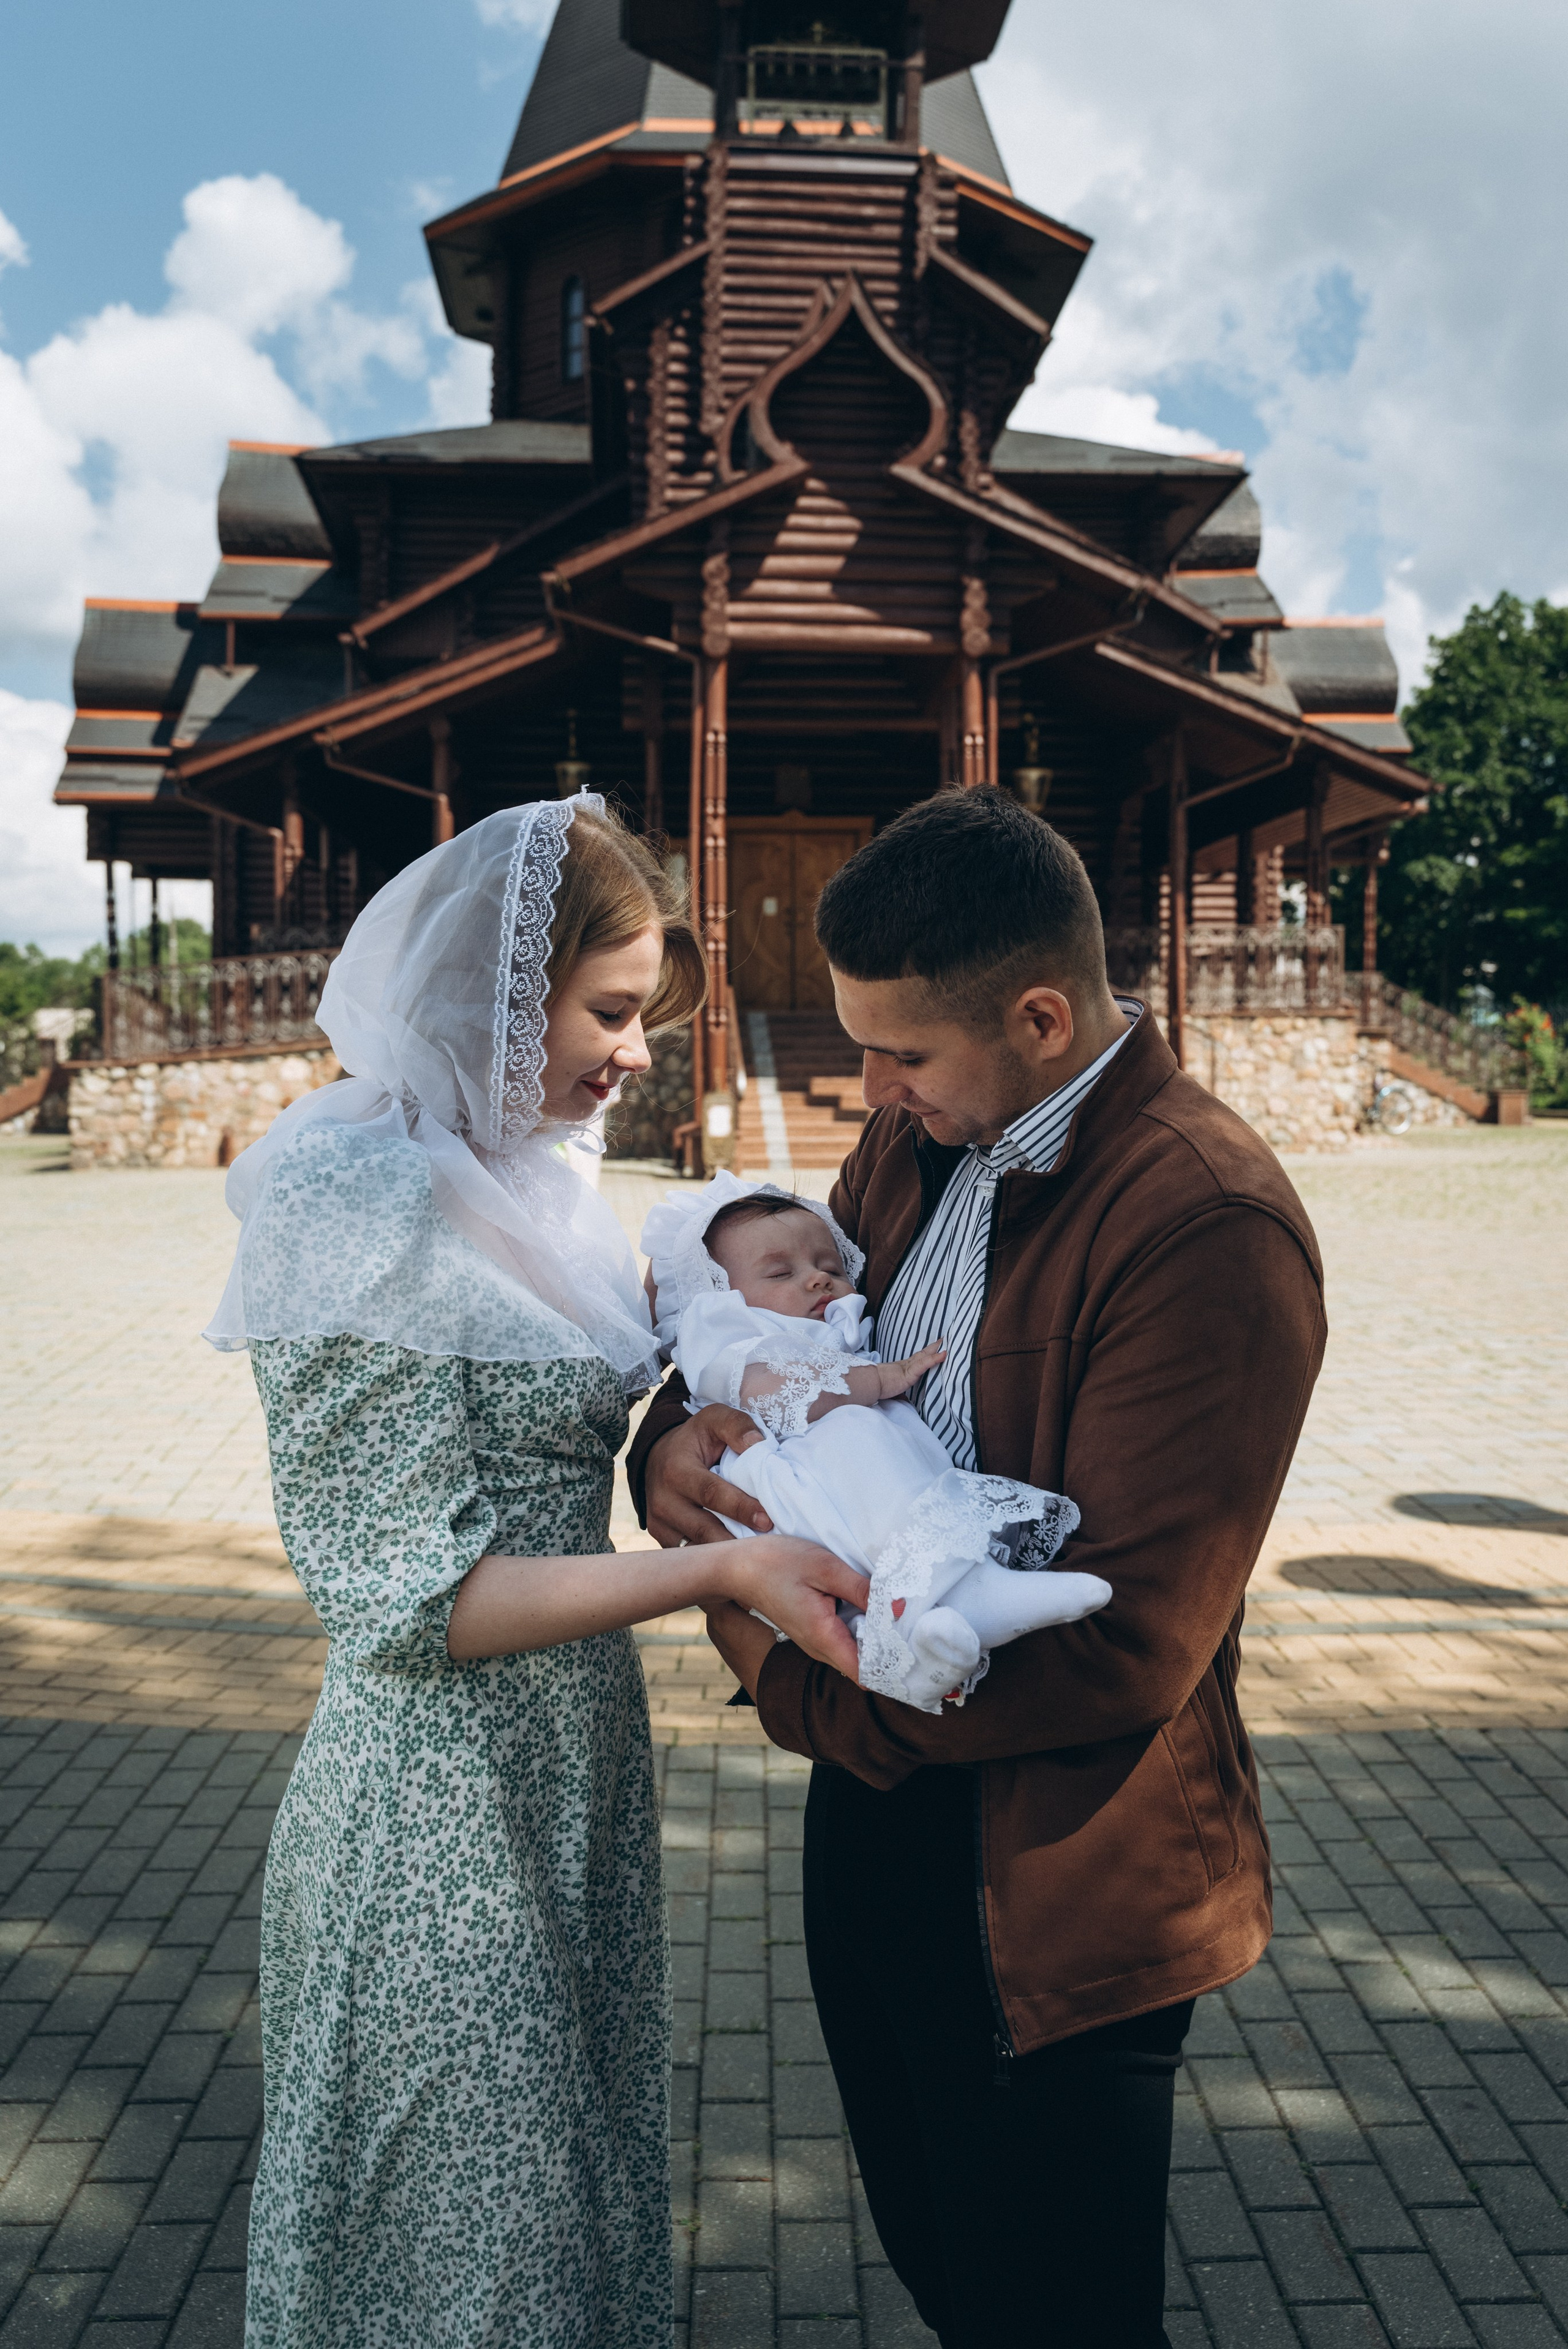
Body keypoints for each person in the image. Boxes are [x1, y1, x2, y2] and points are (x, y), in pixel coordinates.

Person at [628, 790, 1327, 2349]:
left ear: (1037, 1013)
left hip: (1062, 1872)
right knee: (946, 2272)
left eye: (899, 1053)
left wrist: (791, 1675)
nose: (859, 1085)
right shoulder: (910, 1137)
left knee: (1050, 2314)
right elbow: (770, 1347)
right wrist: (666, 1450)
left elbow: (1125, 1641)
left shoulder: (1201, 1217)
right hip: (878, 1819)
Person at [208, 794, 868, 2349]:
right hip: (433, 1801)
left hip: (571, 1762)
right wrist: (741, 1566)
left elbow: (601, 1406)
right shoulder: (346, 1191)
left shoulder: (543, 1180)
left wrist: (695, 1432)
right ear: (499, 993)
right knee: (460, 2260)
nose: (636, 1052)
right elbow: (403, 1596)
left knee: (557, 2219)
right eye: (612, 1009)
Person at [640, 1172, 1108, 1710]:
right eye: (781, 1272)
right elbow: (777, 1392)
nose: (817, 1279)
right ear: (718, 1297)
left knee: (884, 1492)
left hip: (829, 1496)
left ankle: (924, 1654)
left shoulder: (825, 1322)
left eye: (830, 1266)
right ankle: (973, 1592)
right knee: (860, 1440)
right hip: (792, 1491)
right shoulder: (728, 1336)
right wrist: (882, 1378)